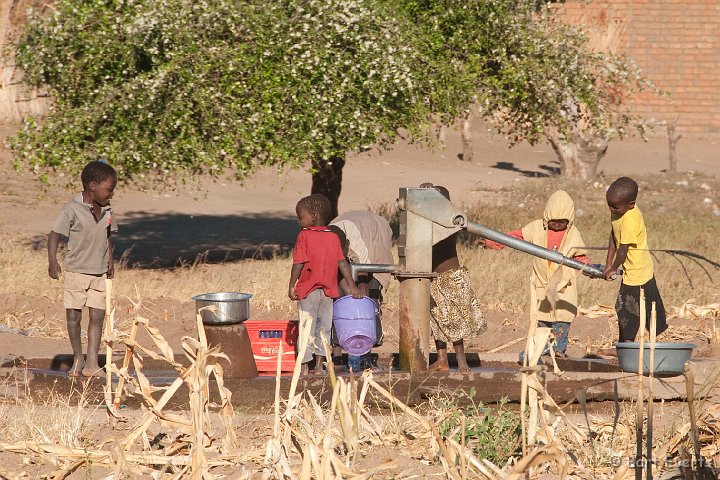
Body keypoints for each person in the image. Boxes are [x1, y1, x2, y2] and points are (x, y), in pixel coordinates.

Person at [479, 190, 589, 358]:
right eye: (553, 221)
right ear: (546, 218)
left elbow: (581, 257)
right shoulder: (537, 227)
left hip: (563, 286)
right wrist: (492, 241)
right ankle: (541, 349)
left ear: (569, 220)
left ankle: (559, 350)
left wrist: (590, 270)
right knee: (541, 319)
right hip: (542, 283)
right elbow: (515, 237)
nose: (557, 225)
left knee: (562, 319)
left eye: (562, 222)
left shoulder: (573, 233)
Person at [47, 160, 118, 378]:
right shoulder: (72, 209)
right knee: (74, 316)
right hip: (76, 271)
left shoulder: (107, 210)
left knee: (98, 316)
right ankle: (77, 358)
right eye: (109, 189)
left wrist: (111, 261)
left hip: (99, 273)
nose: (112, 194)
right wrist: (52, 261)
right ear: (92, 186)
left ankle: (92, 363)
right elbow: (54, 235)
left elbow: (108, 237)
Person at [288, 194, 362, 375]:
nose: (299, 222)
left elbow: (298, 262)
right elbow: (342, 262)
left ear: (313, 216)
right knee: (324, 329)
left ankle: (305, 366)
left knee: (307, 327)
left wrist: (291, 285)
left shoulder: (304, 235)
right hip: (328, 291)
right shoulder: (332, 237)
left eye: (301, 217)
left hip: (308, 290)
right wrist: (352, 286)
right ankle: (320, 365)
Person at [420, 183, 486, 373]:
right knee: (436, 320)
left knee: (454, 321)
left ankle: (461, 360)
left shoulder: (450, 221)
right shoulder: (430, 222)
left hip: (451, 278)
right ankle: (442, 359)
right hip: (434, 277)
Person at [603, 177, 667, 344]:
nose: (611, 209)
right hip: (632, 270)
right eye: (609, 205)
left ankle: (627, 347)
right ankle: (624, 347)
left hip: (638, 272)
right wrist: (609, 263)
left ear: (631, 204)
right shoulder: (618, 211)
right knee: (629, 309)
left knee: (625, 309)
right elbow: (613, 236)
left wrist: (612, 268)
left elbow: (623, 250)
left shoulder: (631, 218)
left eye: (614, 207)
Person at [329, 211, 394, 372]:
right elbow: (338, 272)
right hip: (352, 229)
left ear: (347, 245)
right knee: (337, 298)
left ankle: (365, 355)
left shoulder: (359, 246)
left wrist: (359, 308)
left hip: (372, 236)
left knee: (368, 300)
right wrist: (350, 291)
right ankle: (337, 356)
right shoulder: (328, 240)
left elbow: (363, 281)